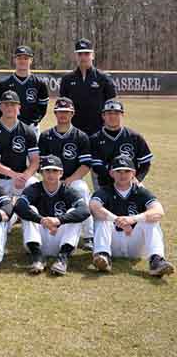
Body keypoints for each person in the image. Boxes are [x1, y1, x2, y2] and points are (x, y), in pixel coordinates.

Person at [90, 155, 173, 277]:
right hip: (113, 243)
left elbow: (159, 210)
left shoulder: (141, 191)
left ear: (133, 173)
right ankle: (103, 256)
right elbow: (93, 206)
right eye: (118, 171)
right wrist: (117, 220)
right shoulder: (105, 191)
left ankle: (156, 261)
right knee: (102, 219)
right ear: (112, 173)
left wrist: (133, 219)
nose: (122, 175)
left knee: (151, 220)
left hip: (135, 243)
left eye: (127, 171)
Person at [14, 156, 90, 275]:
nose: (51, 174)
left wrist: (59, 220)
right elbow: (19, 206)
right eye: (47, 170)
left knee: (73, 213)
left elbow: (84, 211)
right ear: (41, 172)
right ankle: (37, 257)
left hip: (61, 239)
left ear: (61, 173)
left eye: (55, 171)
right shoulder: (34, 188)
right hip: (39, 238)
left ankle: (62, 259)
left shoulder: (68, 190)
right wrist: (41, 220)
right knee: (31, 209)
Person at [38, 97, 94, 250]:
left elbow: (85, 164)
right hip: (49, 180)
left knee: (82, 189)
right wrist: (52, 180)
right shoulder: (45, 136)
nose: (63, 115)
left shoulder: (81, 136)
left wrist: (70, 179)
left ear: (72, 113)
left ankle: (89, 235)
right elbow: (40, 165)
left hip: (72, 179)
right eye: (60, 111)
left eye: (66, 112)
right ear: (55, 113)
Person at [0, 90, 39, 197]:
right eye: (6, 104)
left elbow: (35, 161)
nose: (9, 107)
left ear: (19, 107)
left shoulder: (28, 131)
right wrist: (13, 175)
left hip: (21, 179)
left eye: (13, 104)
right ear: (0, 107)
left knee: (35, 185)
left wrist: (24, 177)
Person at [59, 38, 116, 138]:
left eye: (86, 54)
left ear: (92, 55)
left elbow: (111, 106)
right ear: (75, 56)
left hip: (98, 132)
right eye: (80, 54)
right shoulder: (66, 80)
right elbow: (63, 107)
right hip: (74, 133)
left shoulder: (104, 79)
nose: (83, 57)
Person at [90, 99, 152, 189]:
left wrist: (137, 179)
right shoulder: (95, 139)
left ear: (122, 115)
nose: (113, 116)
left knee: (148, 201)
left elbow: (145, 163)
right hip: (105, 184)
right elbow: (97, 166)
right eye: (109, 113)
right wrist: (117, 181)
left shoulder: (134, 137)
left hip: (131, 182)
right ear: (103, 116)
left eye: (116, 113)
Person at [0, 45, 49, 138]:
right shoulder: (4, 84)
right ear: (14, 60)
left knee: (33, 152)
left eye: (26, 58)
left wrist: (34, 120)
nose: (22, 61)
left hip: (32, 127)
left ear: (31, 60)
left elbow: (43, 107)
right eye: (19, 58)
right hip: (10, 127)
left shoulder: (39, 83)